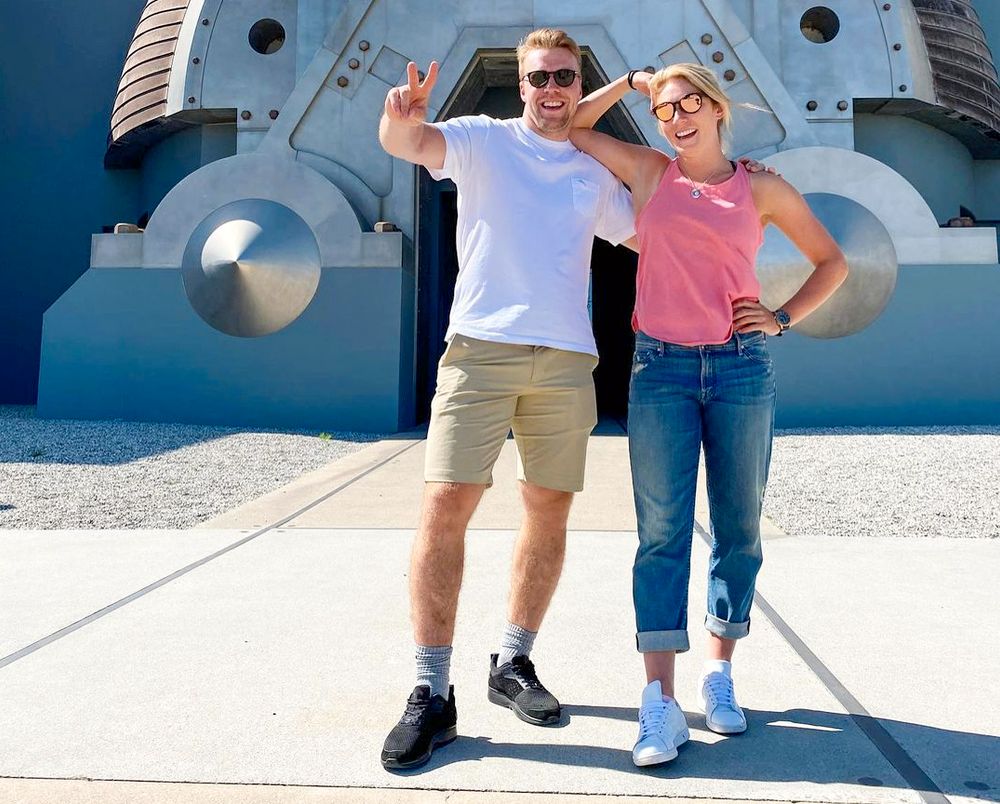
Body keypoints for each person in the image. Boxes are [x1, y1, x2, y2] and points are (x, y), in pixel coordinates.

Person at [569, 64, 848, 767]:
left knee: (738, 527)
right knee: (661, 534)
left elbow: (832, 262)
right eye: (665, 109)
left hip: (739, 367)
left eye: (690, 103)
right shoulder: (648, 171)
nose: (677, 117)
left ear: (718, 109)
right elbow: (574, 126)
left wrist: (781, 317)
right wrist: (632, 82)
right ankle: (659, 702)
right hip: (659, 370)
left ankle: (720, 674)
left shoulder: (762, 187)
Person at [376, 28, 639, 770]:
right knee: (445, 505)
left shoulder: (593, 171)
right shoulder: (482, 141)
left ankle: (513, 663)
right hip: (480, 351)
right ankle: (431, 692)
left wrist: (723, 191)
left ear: (579, 84)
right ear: (521, 85)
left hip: (566, 359)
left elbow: (650, 236)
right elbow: (408, 143)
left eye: (564, 77)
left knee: (547, 510)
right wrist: (401, 116)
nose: (551, 89)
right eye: (539, 77)